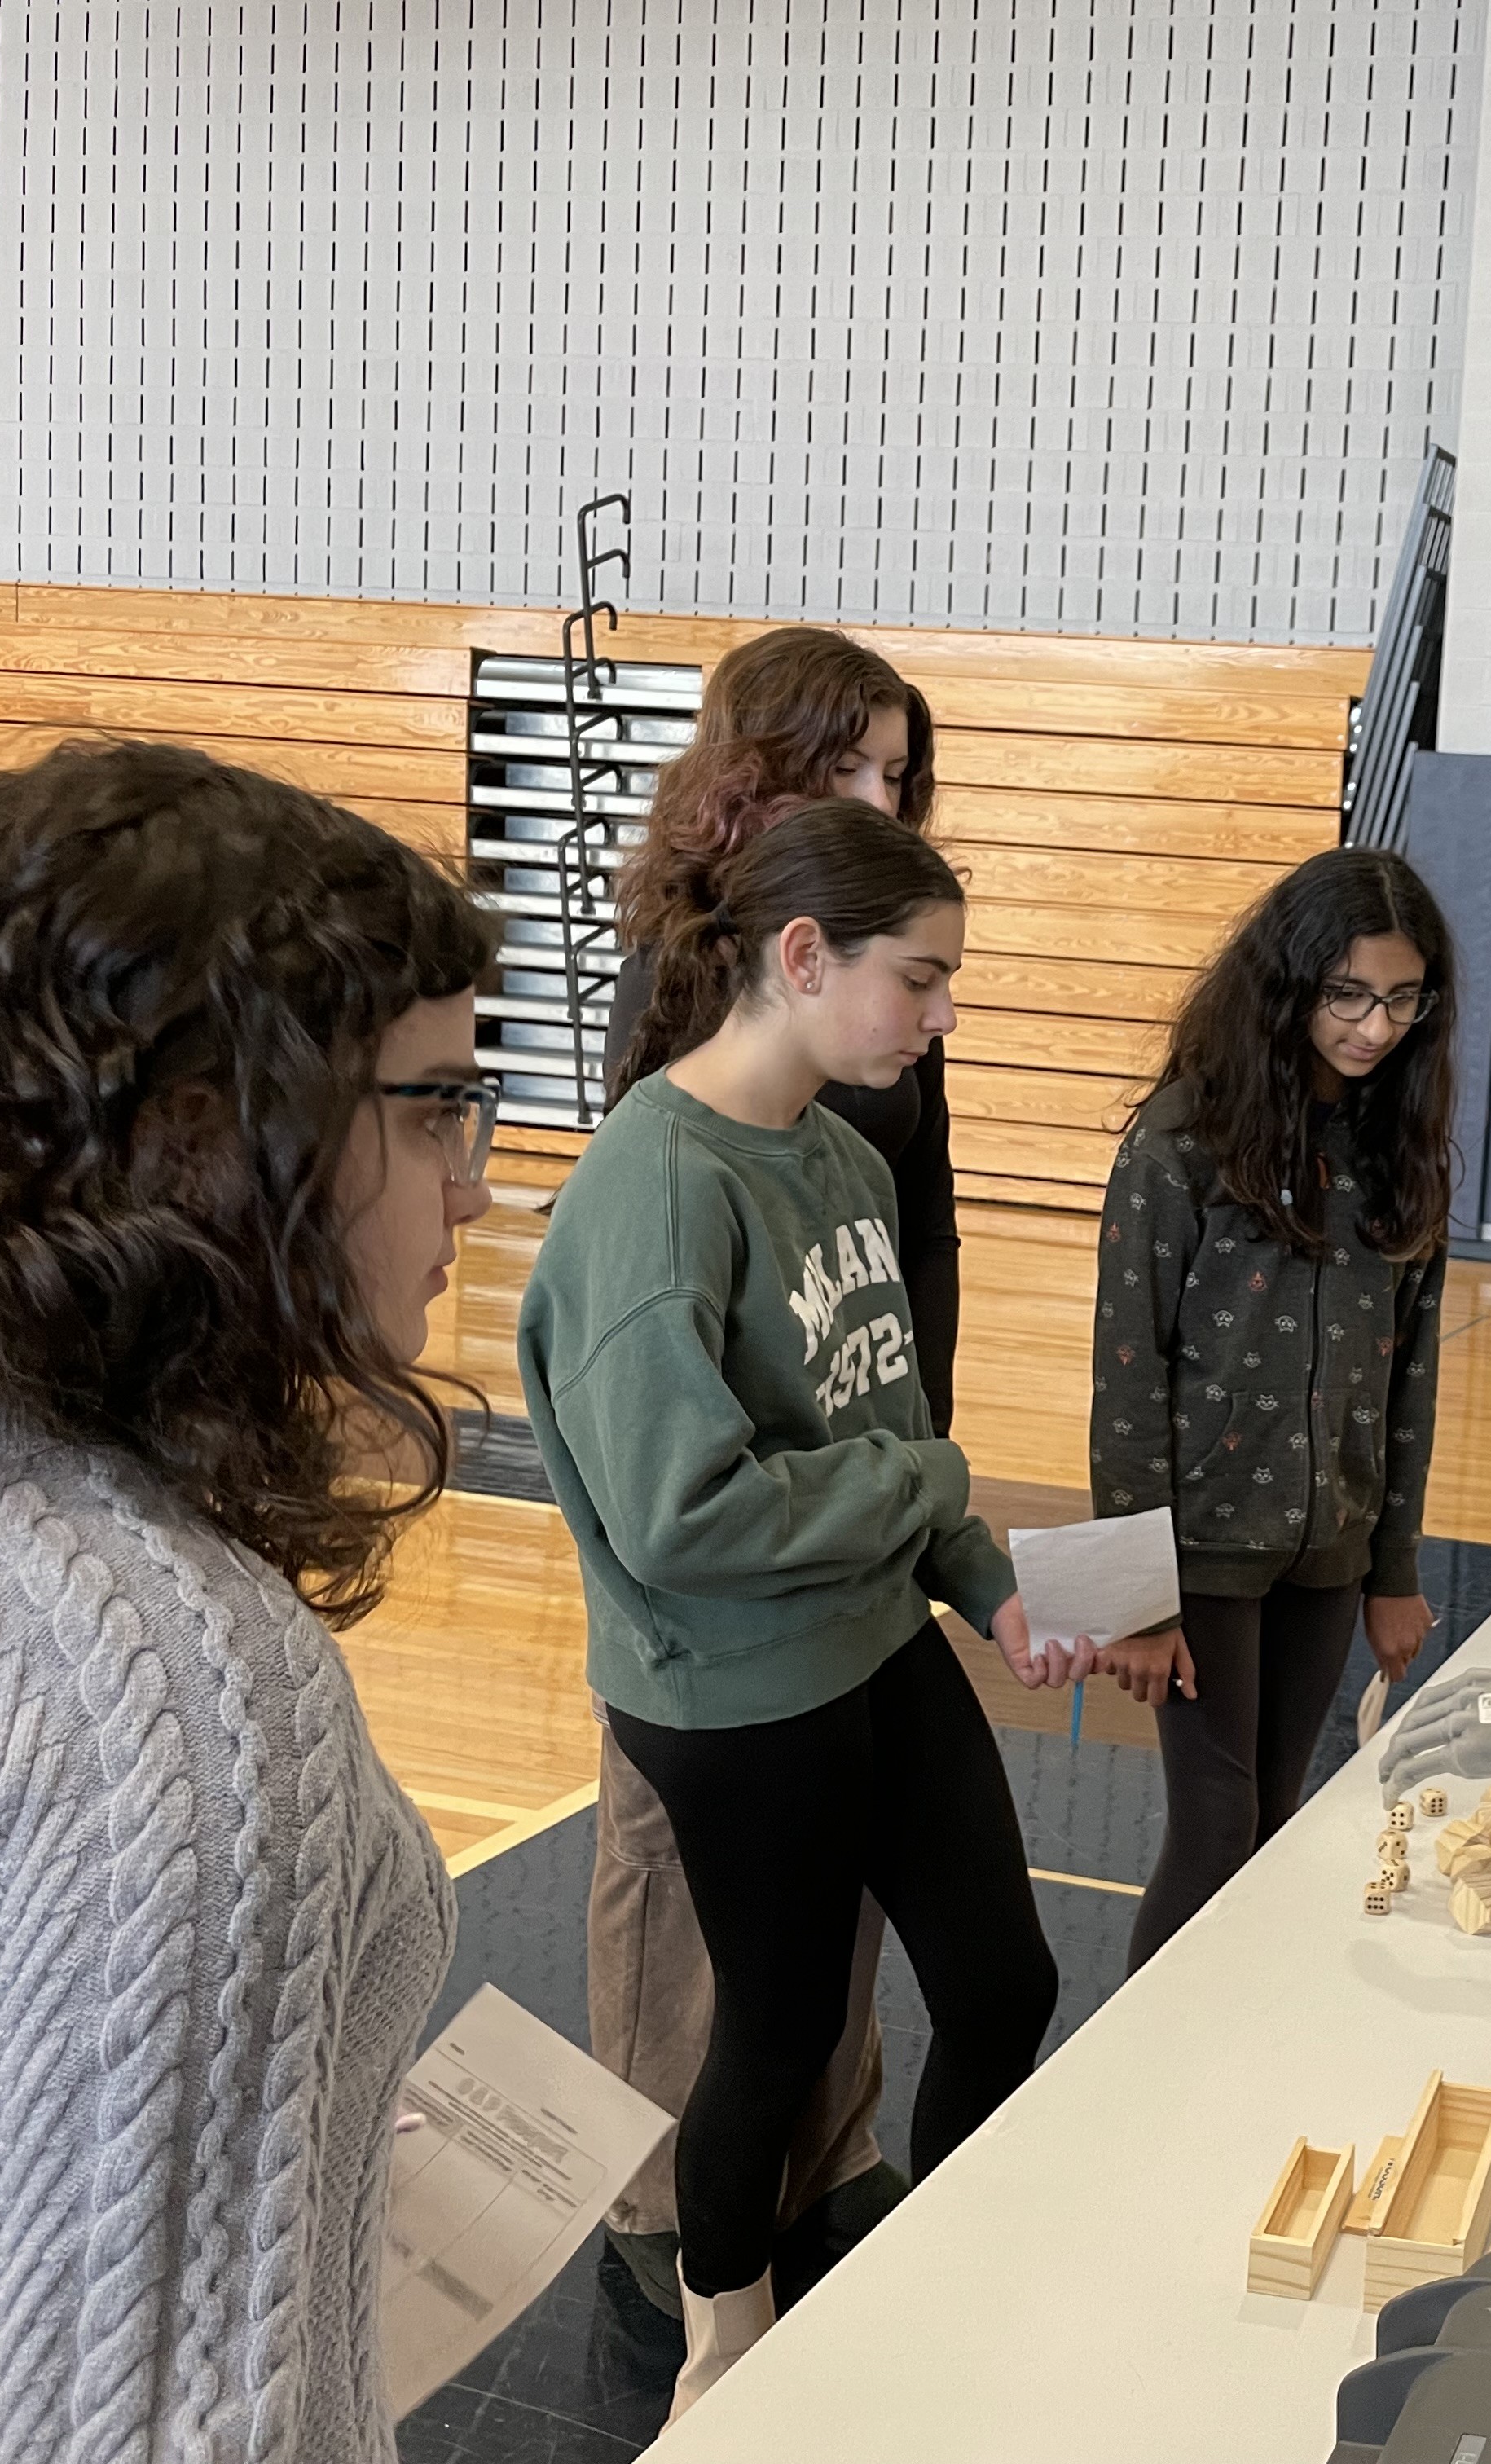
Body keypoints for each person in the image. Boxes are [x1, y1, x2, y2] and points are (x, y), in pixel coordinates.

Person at [0, 740, 498, 2457]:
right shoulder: (167, 1703)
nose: (476, 1180)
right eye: (436, 1107)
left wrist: (188, 2130)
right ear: (199, 1138)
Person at [519, 803, 1092, 2419]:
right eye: (922, 976)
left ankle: (938, 2280)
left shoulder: (843, 1158)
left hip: (877, 1642)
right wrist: (925, 1488)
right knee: (772, 2040)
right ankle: (722, 2341)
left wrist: (986, 1582)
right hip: (731, 1687)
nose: (941, 1015)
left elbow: (882, 1420)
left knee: (1004, 1984)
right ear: (801, 957)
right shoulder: (654, 1185)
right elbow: (682, 1515)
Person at [592, 626, 950, 2317]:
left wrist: (917, 1453)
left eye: (899, 773)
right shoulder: (692, 990)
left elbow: (913, 1227)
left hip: (856, 1476)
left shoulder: (890, 973)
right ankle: (663, 2190)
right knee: (685, 1879)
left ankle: (824, 2144)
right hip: (729, 1543)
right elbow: (666, 1328)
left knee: (840, 1869)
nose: (884, 797)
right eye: (852, 767)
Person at [1092, 847, 1455, 1967]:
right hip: (1201, 1549)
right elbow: (1127, 1375)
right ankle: (1144, 2055)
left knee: (1273, 1822)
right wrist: (1135, 1598)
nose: (1375, 1026)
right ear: (1289, 982)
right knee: (1214, 1827)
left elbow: (1410, 1380)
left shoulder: (1402, 1155)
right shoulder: (1179, 1144)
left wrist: (1392, 1570)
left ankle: (1230, 2038)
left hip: (1330, 1549)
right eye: (1347, 994)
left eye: (1402, 998)